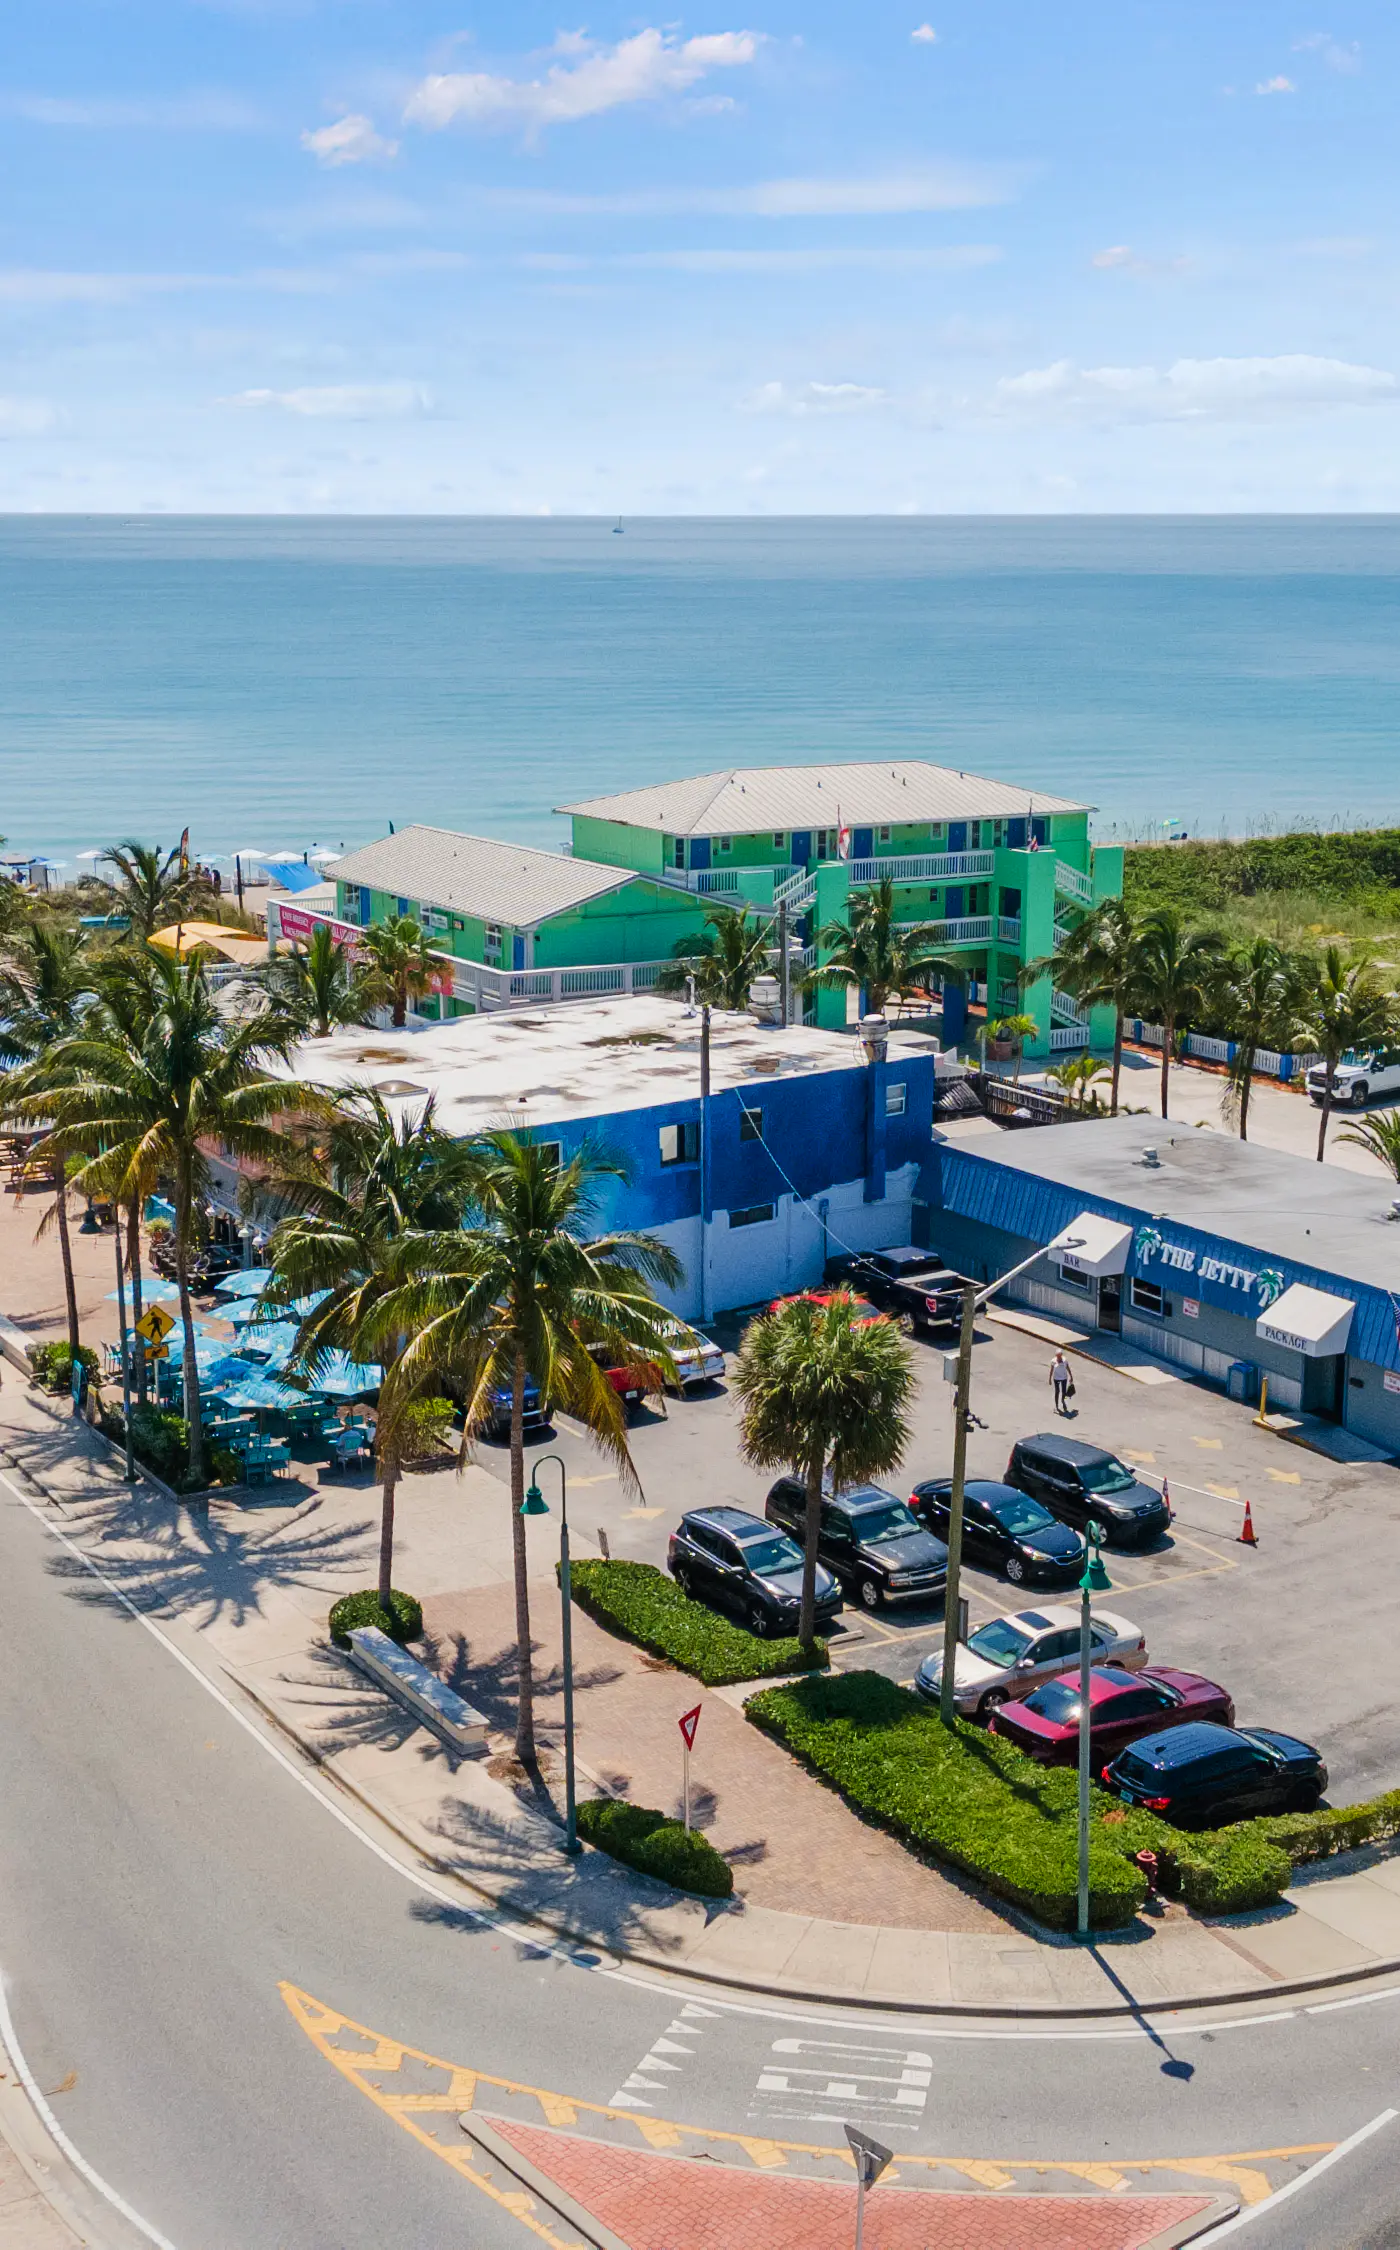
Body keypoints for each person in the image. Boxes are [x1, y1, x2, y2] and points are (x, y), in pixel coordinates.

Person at [1050, 1350, 1074, 1415]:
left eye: (1060, 1355)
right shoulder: (1053, 1361)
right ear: (1056, 1355)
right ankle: (1057, 1406)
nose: (1059, 1357)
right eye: (1058, 1356)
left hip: (1064, 1378)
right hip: (1056, 1378)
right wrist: (1050, 1379)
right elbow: (1051, 1370)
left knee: (1064, 1392)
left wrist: (1071, 1376)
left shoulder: (1065, 1360)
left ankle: (1063, 1401)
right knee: (1057, 1391)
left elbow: (1068, 1368)